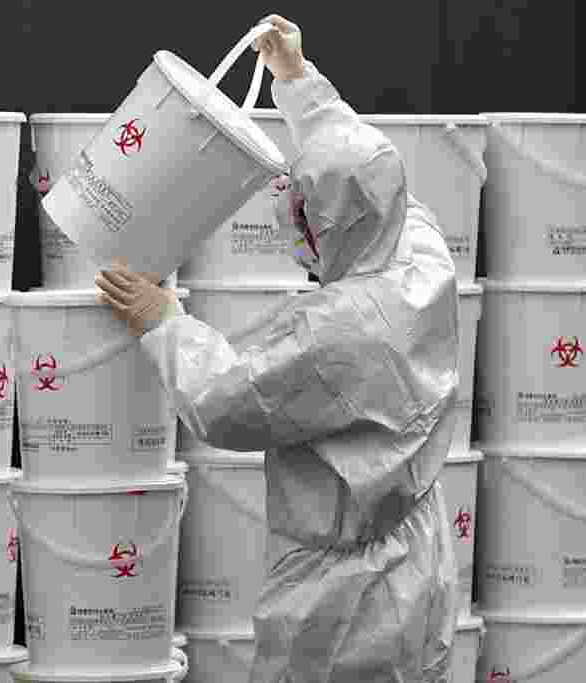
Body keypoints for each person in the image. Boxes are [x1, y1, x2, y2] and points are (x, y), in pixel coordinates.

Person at [94, 14, 460, 683]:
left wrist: (163, 320)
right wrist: (296, 80)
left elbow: (224, 402)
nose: (296, 221)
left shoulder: (335, 331)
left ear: (331, 226)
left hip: (340, 593)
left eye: (306, 214)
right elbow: (361, 169)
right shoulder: (421, 251)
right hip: (420, 552)